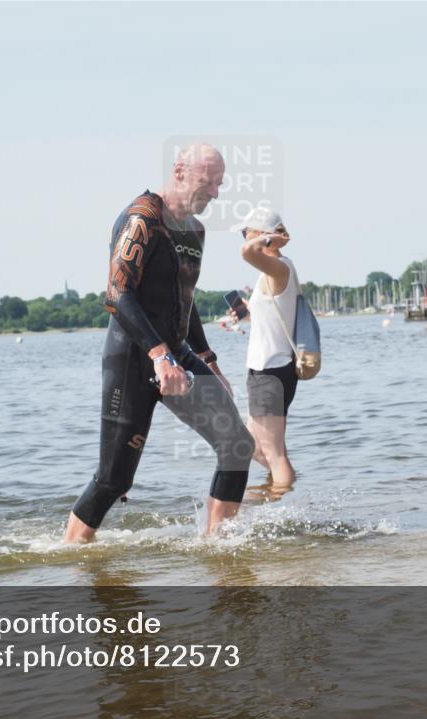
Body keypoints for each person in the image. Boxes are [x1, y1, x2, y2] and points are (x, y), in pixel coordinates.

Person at [64, 143, 254, 543]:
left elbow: (184, 299)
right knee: (113, 480)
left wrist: (207, 360)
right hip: (133, 359)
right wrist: (158, 354)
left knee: (237, 443)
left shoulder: (196, 231)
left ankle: (219, 545)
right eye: (208, 183)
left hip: (176, 356)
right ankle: (72, 553)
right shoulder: (143, 219)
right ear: (180, 171)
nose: (215, 194)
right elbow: (117, 292)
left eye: (220, 185)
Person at [234, 207, 297, 489]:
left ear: (260, 235)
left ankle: (285, 505)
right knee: (251, 446)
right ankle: (274, 497)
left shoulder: (279, 266)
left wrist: (270, 239)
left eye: (245, 231)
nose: (242, 237)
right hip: (269, 369)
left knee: (273, 453)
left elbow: (246, 252)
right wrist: (247, 311)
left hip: (270, 369)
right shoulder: (274, 270)